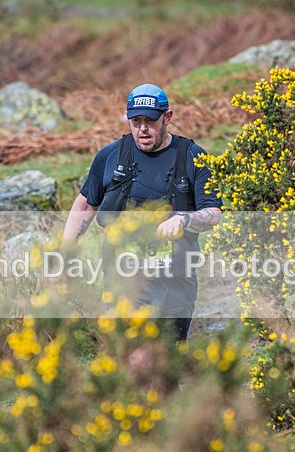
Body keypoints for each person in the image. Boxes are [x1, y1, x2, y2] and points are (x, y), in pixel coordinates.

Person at [62, 83, 222, 341]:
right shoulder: (110, 156)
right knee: (129, 356)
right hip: (122, 283)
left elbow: (212, 213)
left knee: (167, 357)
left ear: (167, 118)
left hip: (174, 286)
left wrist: (184, 219)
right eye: (136, 121)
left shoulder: (193, 157)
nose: (143, 128)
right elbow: (86, 203)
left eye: (150, 120)